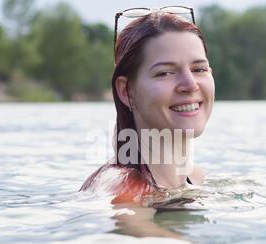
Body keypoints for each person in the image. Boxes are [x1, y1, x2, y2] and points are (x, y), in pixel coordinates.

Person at [80, 7, 215, 205]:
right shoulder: (123, 188)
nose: (190, 84)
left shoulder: (197, 177)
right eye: (165, 73)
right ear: (126, 91)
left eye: (199, 69)